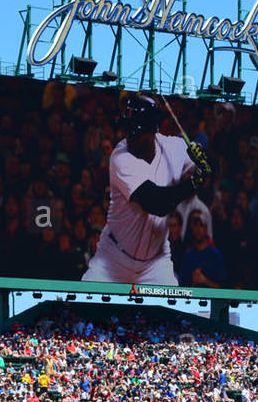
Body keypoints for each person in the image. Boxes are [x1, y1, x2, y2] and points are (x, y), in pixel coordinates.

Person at [82, 95, 212, 286]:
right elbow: (156, 203)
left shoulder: (174, 148)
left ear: (153, 133)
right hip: (114, 258)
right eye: (128, 131)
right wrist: (192, 183)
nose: (130, 137)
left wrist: (204, 158)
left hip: (155, 262)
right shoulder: (121, 157)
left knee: (174, 312)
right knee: (83, 302)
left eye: (136, 133)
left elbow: (208, 167)